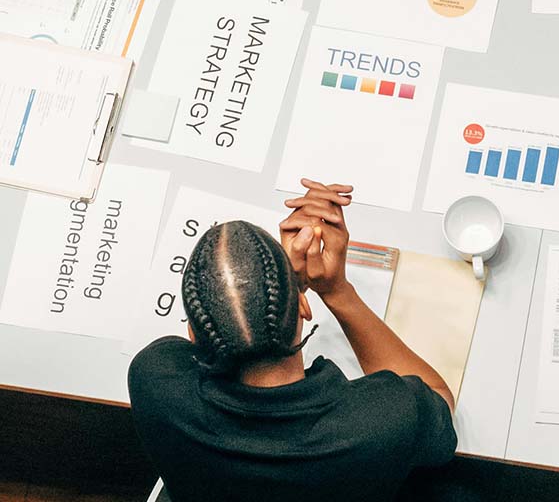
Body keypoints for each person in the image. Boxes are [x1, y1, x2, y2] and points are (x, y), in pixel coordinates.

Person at [128, 178, 457, 502]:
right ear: (303, 306)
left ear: (193, 335)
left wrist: (285, 288)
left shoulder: (155, 381)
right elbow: (439, 397)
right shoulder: (386, 421)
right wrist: (335, 290)